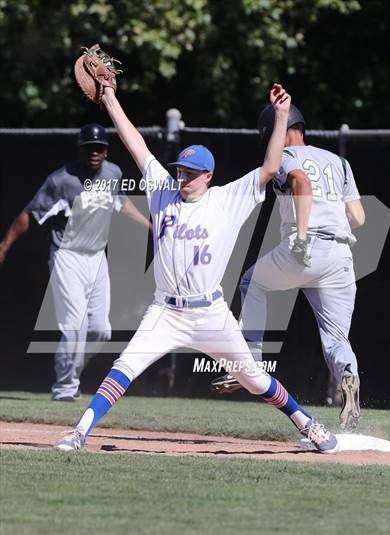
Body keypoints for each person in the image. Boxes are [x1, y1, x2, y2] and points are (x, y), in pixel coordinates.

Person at [55, 83, 339, 454]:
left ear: (208, 176)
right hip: (166, 311)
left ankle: (309, 424)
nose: (181, 177)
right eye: (179, 170)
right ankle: (79, 431)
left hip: (210, 313)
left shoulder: (227, 199)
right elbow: (135, 145)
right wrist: (109, 99)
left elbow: (271, 167)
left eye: (190, 173)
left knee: (254, 379)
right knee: (124, 367)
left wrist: (282, 116)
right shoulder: (162, 191)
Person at [210, 104, 365, 432]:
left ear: (273, 133)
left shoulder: (285, 157)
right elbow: (358, 217)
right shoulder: (339, 162)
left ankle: (248, 360)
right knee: (337, 339)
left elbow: (300, 181)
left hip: (304, 247)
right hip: (340, 256)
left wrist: (304, 234)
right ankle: (348, 375)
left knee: (252, 282)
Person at [0, 124, 151, 401]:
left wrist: (150, 226)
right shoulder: (62, 180)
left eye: (99, 147)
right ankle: (65, 388)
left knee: (100, 331)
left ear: (106, 150)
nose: (94, 152)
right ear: (80, 150)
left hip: (96, 257)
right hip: (66, 256)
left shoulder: (113, 173)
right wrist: (4, 246)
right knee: (75, 327)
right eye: (89, 147)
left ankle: (71, 375)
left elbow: (120, 202)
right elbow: (29, 215)